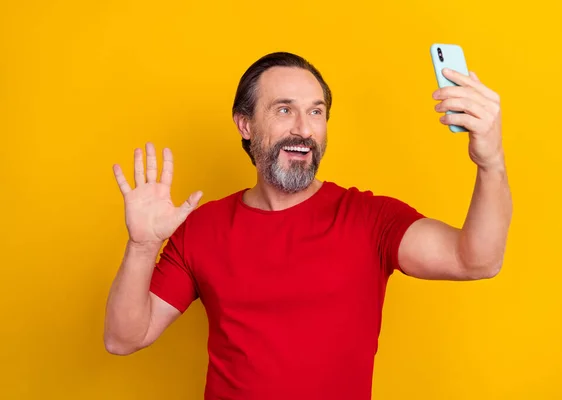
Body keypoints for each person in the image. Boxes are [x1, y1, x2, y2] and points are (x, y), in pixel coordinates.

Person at [104, 52, 512, 399]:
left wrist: (490, 162)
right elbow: (123, 338)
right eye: (284, 109)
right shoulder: (201, 228)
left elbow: (476, 261)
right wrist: (141, 246)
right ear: (245, 125)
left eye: (316, 111)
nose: (303, 127)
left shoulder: (370, 219)